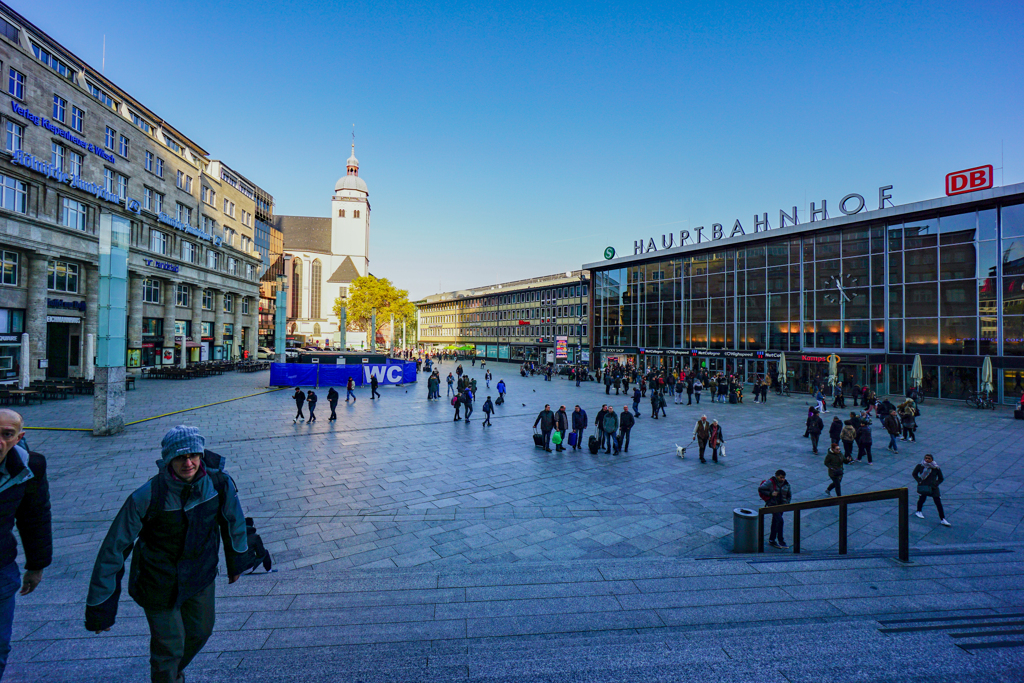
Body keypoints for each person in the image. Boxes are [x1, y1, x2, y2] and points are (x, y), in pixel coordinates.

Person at [86, 425, 249, 683]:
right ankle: (168, 675)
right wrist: (101, 608)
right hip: (157, 582)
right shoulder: (146, 496)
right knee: (169, 647)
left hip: (200, 575)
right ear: (167, 459)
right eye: (180, 457)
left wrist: (238, 561)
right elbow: (114, 549)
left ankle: (170, 672)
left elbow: (234, 520)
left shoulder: (219, 483)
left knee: (201, 632)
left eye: (194, 455)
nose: (188, 463)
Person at [0, 410, 52, 679]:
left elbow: (35, 518)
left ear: (19, 438)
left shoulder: (30, 468)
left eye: (6, 434)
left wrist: (37, 565)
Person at [912, 454, 951, 526]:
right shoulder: (920, 466)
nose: (927, 460)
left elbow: (941, 478)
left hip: (933, 487)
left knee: (938, 502)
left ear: (932, 459)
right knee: (922, 499)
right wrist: (919, 481)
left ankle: (942, 519)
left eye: (929, 458)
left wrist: (935, 484)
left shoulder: (936, 468)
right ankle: (918, 511)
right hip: (924, 486)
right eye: (926, 458)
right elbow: (914, 474)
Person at [759, 470, 791, 549]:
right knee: (780, 521)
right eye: (781, 477)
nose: (782, 479)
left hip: (782, 505)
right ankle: (781, 540)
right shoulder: (770, 482)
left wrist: (787, 503)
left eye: (783, 477)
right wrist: (770, 494)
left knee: (775, 522)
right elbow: (760, 489)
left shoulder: (786, 484)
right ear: (776, 476)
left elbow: (789, 495)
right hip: (773, 505)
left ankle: (772, 539)